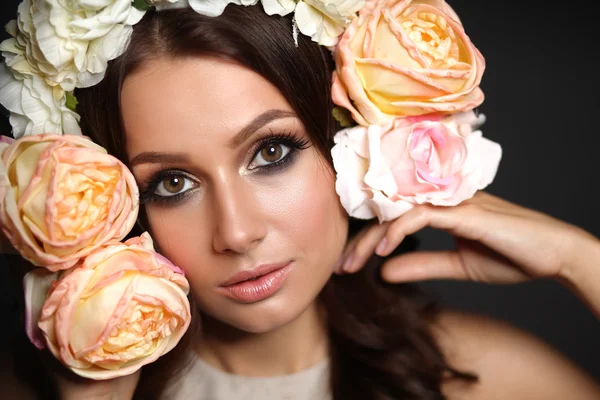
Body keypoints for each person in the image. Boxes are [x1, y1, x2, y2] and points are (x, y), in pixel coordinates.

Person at [1, 2, 599, 400]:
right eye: (173, 184)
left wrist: (581, 260)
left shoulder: (486, 379)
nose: (235, 233)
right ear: (120, 211)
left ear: (353, 145)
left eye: (271, 153)